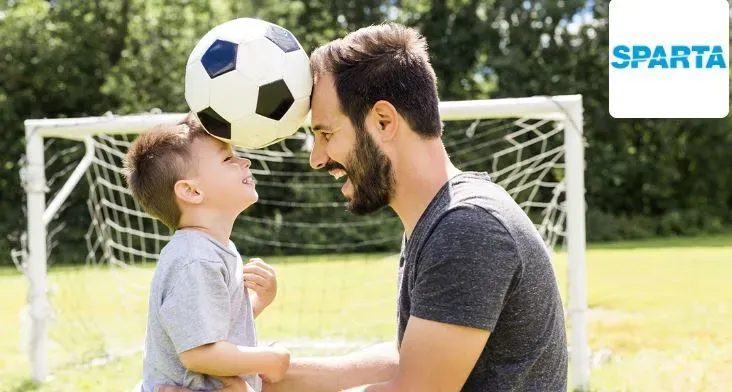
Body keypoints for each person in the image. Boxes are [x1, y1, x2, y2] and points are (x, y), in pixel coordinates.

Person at [158, 22, 568, 392]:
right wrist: (255, 379)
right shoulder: (441, 218)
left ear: (384, 122)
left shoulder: (468, 227)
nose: (316, 158)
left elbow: (414, 388)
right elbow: (407, 358)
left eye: (325, 133)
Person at [124, 113, 290, 392]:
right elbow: (198, 352)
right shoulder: (196, 258)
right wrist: (270, 359)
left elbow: (208, 325)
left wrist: (257, 302)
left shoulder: (211, 248)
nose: (244, 161)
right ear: (191, 191)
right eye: (228, 159)